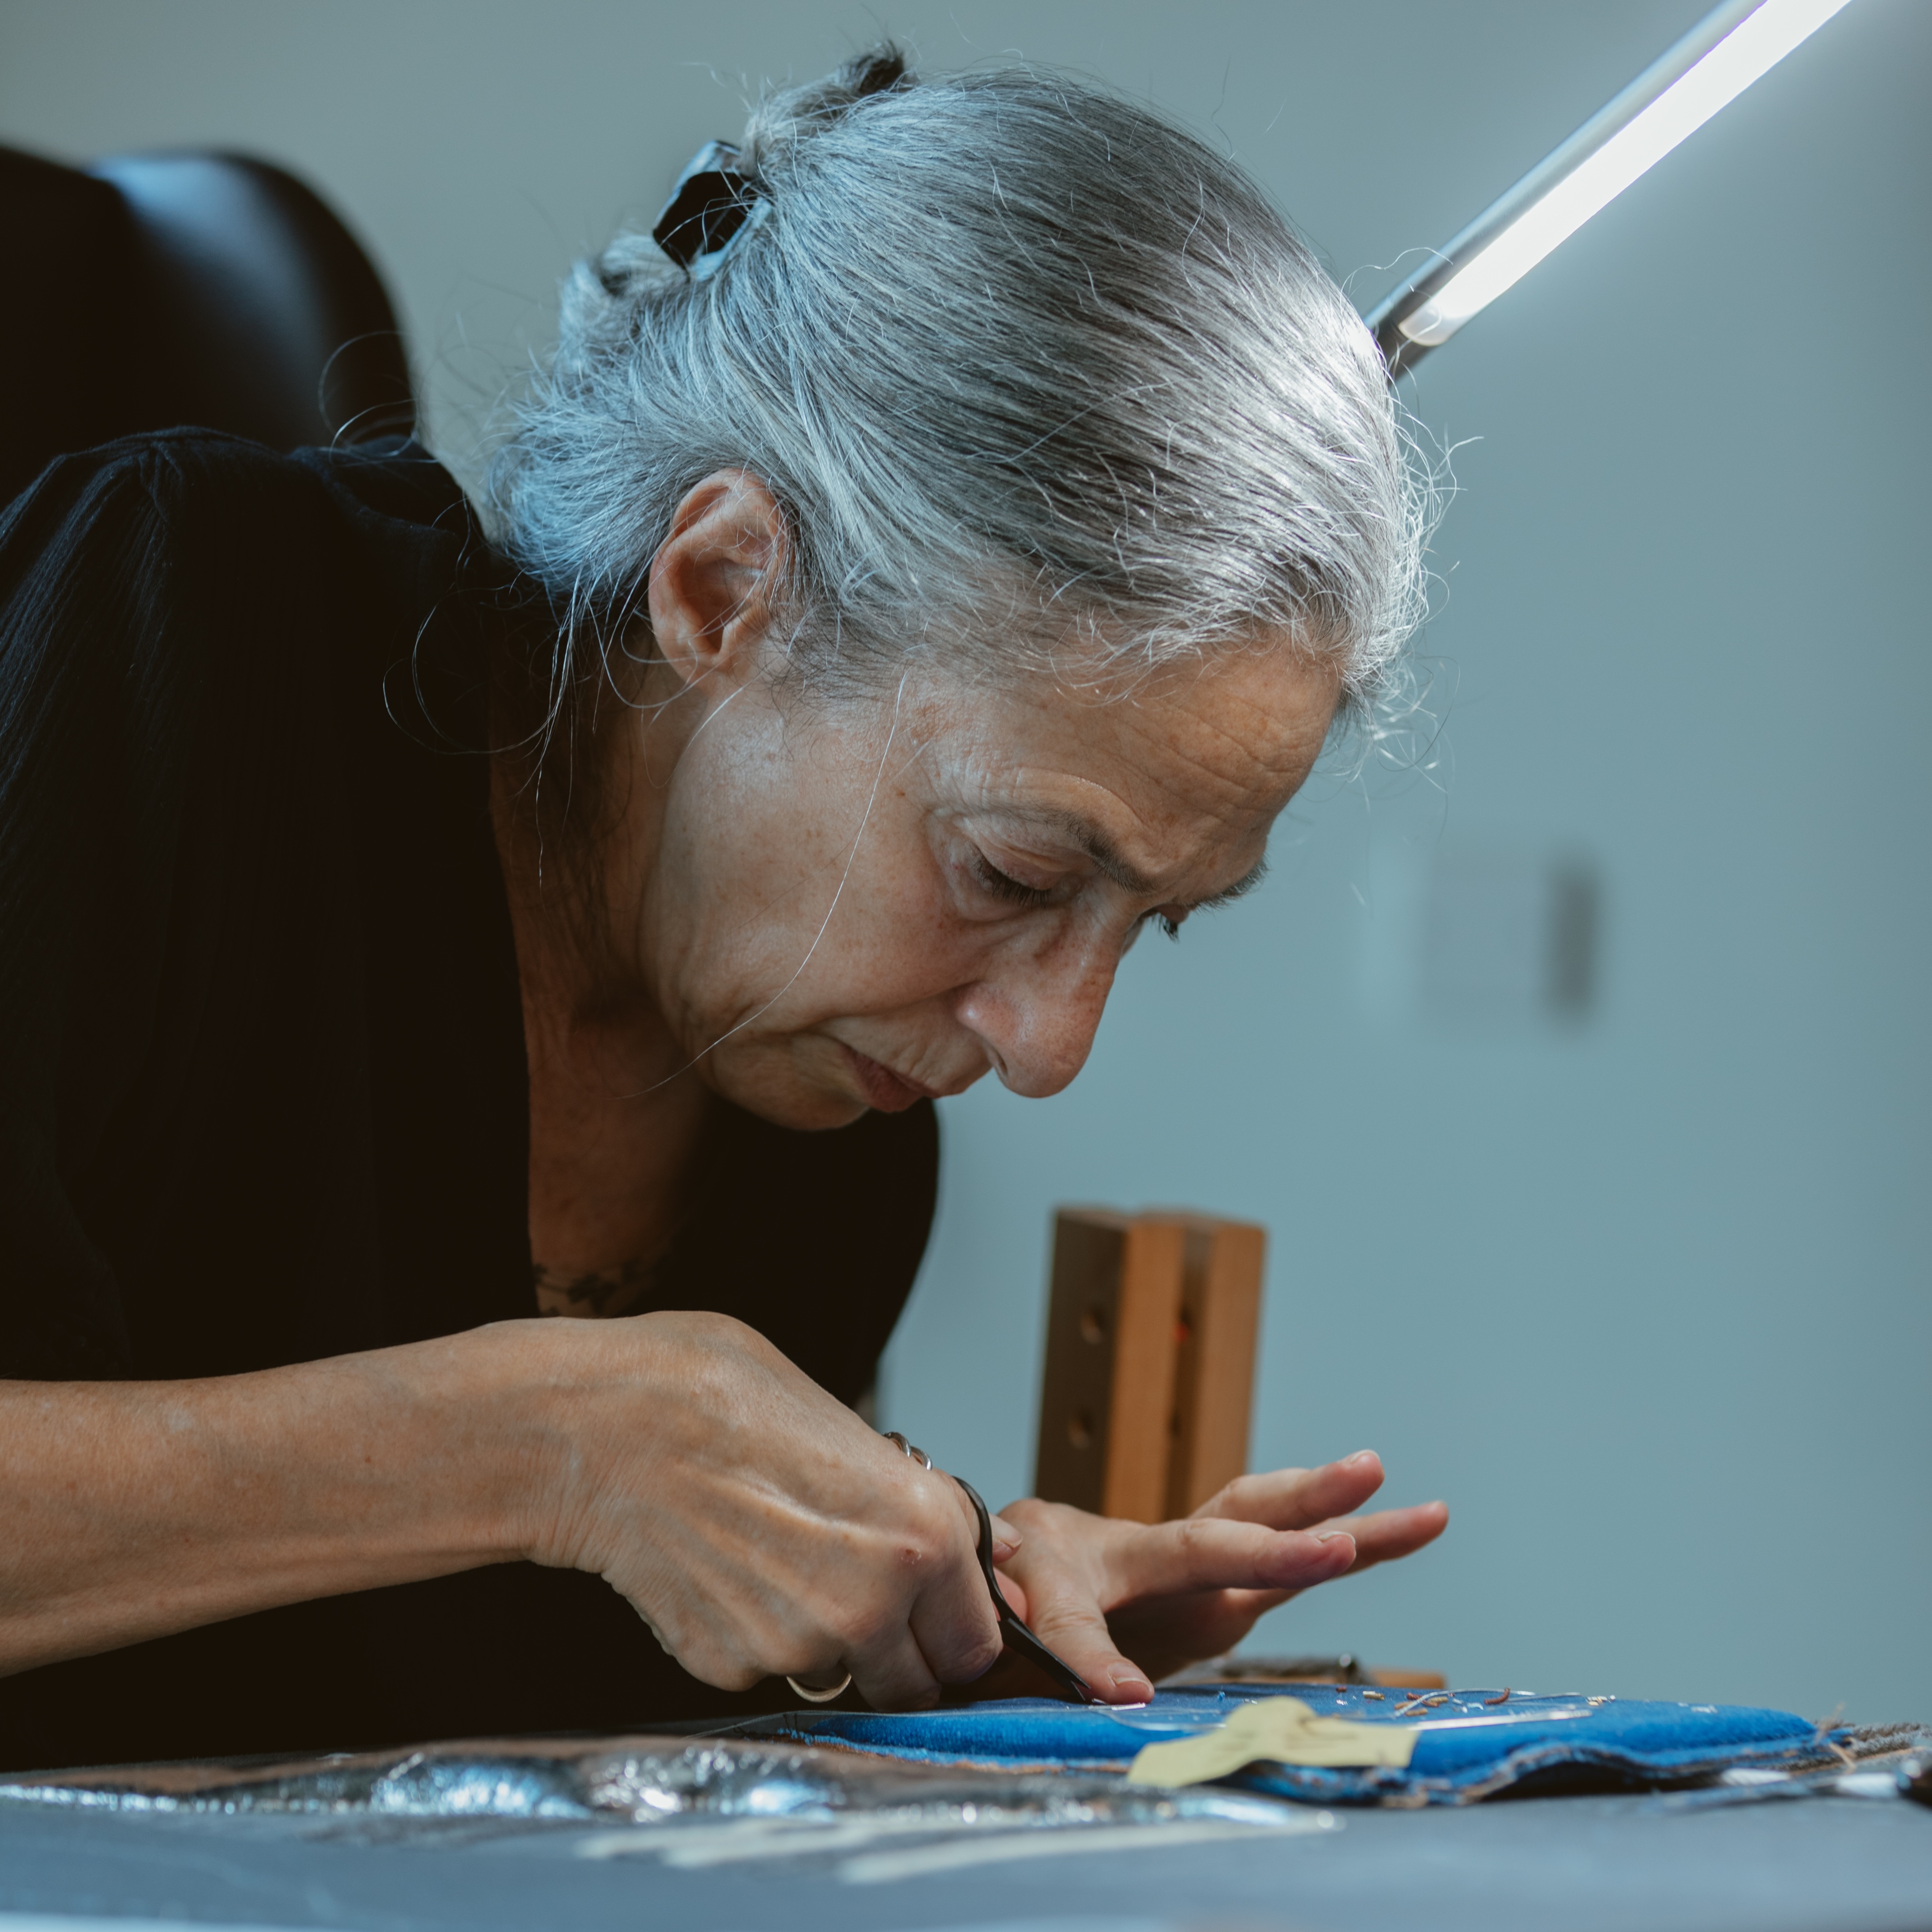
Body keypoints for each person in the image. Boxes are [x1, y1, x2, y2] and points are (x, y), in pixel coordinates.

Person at [0, 48, 1446, 1770]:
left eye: (1161, 917)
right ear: (719, 589)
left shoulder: (822, 1098)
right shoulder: (190, 631)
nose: (1048, 1046)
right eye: (1013, 873)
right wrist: (555, 1437)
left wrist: (959, 1623)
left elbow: (496, 1751)